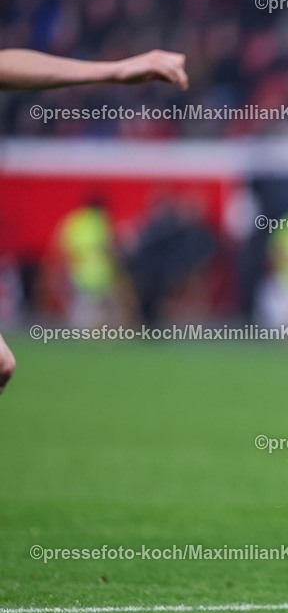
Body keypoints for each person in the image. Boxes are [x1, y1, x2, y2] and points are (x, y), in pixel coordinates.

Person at [0, 47, 188, 397]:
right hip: (86, 294)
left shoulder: (80, 225)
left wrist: (115, 71)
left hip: (93, 292)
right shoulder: (91, 226)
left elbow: (63, 261)